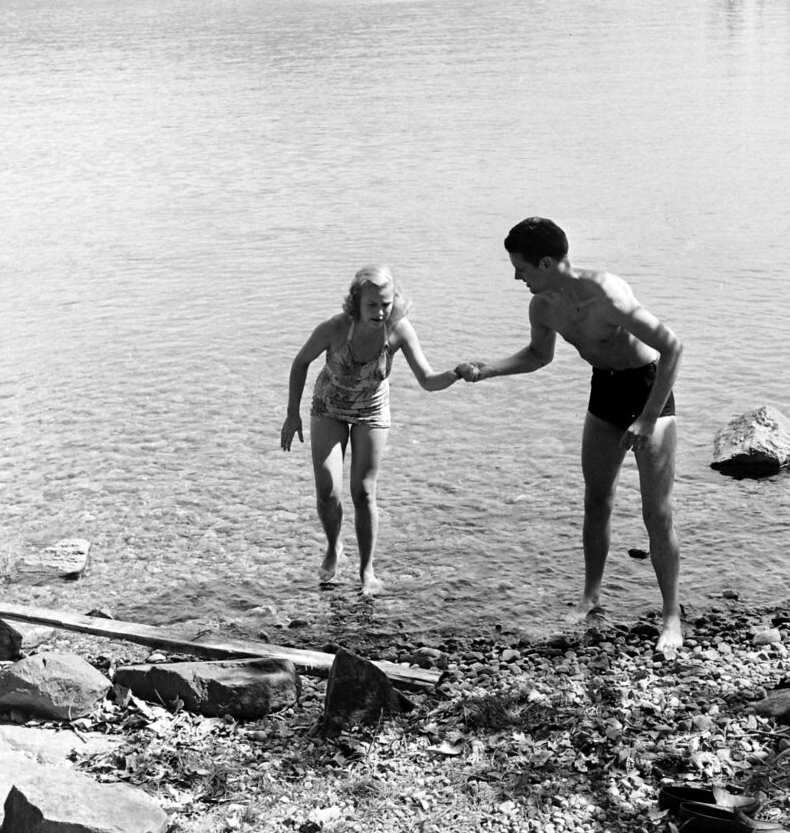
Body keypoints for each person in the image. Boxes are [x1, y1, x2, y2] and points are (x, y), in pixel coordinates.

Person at [456, 217, 684, 653]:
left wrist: (649, 418)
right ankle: (590, 597)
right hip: (606, 390)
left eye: (521, 267)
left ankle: (671, 616)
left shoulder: (607, 295)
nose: (517, 277)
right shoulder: (543, 306)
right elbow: (539, 355)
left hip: (647, 389)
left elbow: (672, 346)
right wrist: (489, 369)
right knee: (596, 500)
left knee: (656, 512)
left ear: (545, 262)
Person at [281, 266, 460, 596]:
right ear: (356, 303)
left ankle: (367, 571)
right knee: (327, 490)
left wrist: (456, 374)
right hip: (329, 407)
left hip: (372, 411)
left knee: (363, 491)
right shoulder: (335, 328)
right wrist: (293, 414)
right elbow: (300, 362)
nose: (380, 312)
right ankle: (334, 546)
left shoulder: (399, 330)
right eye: (372, 305)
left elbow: (427, 379)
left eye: (386, 304)